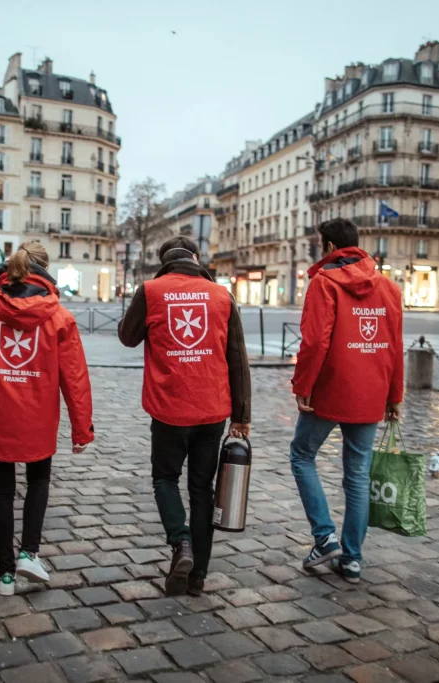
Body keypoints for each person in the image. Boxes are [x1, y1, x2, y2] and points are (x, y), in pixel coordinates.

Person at [0, 242, 93, 596]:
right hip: (38, 417)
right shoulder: (60, 317)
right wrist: (81, 428)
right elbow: (75, 378)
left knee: (2, 491)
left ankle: (6, 574)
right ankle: (29, 553)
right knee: (38, 482)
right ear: (45, 270)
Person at [118, 236, 251, 596]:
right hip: (213, 409)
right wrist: (242, 415)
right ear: (196, 258)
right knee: (202, 490)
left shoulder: (151, 290)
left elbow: (127, 338)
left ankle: (181, 543)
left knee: (165, 479)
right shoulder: (221, 295)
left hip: (169, 407)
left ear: (165, 261)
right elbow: (237, 356)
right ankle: (198, 577)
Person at [289, 218, 404, 584]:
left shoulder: (324, 284)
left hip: (330, 390)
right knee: (357, 475)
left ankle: (324, 537)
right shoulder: (388, 288)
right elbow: (395, 346)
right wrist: (394, 395)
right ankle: (352, 559)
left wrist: (302, 385)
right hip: (371, 392)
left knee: (302, 455)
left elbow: (315, 342)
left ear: (328, 247)